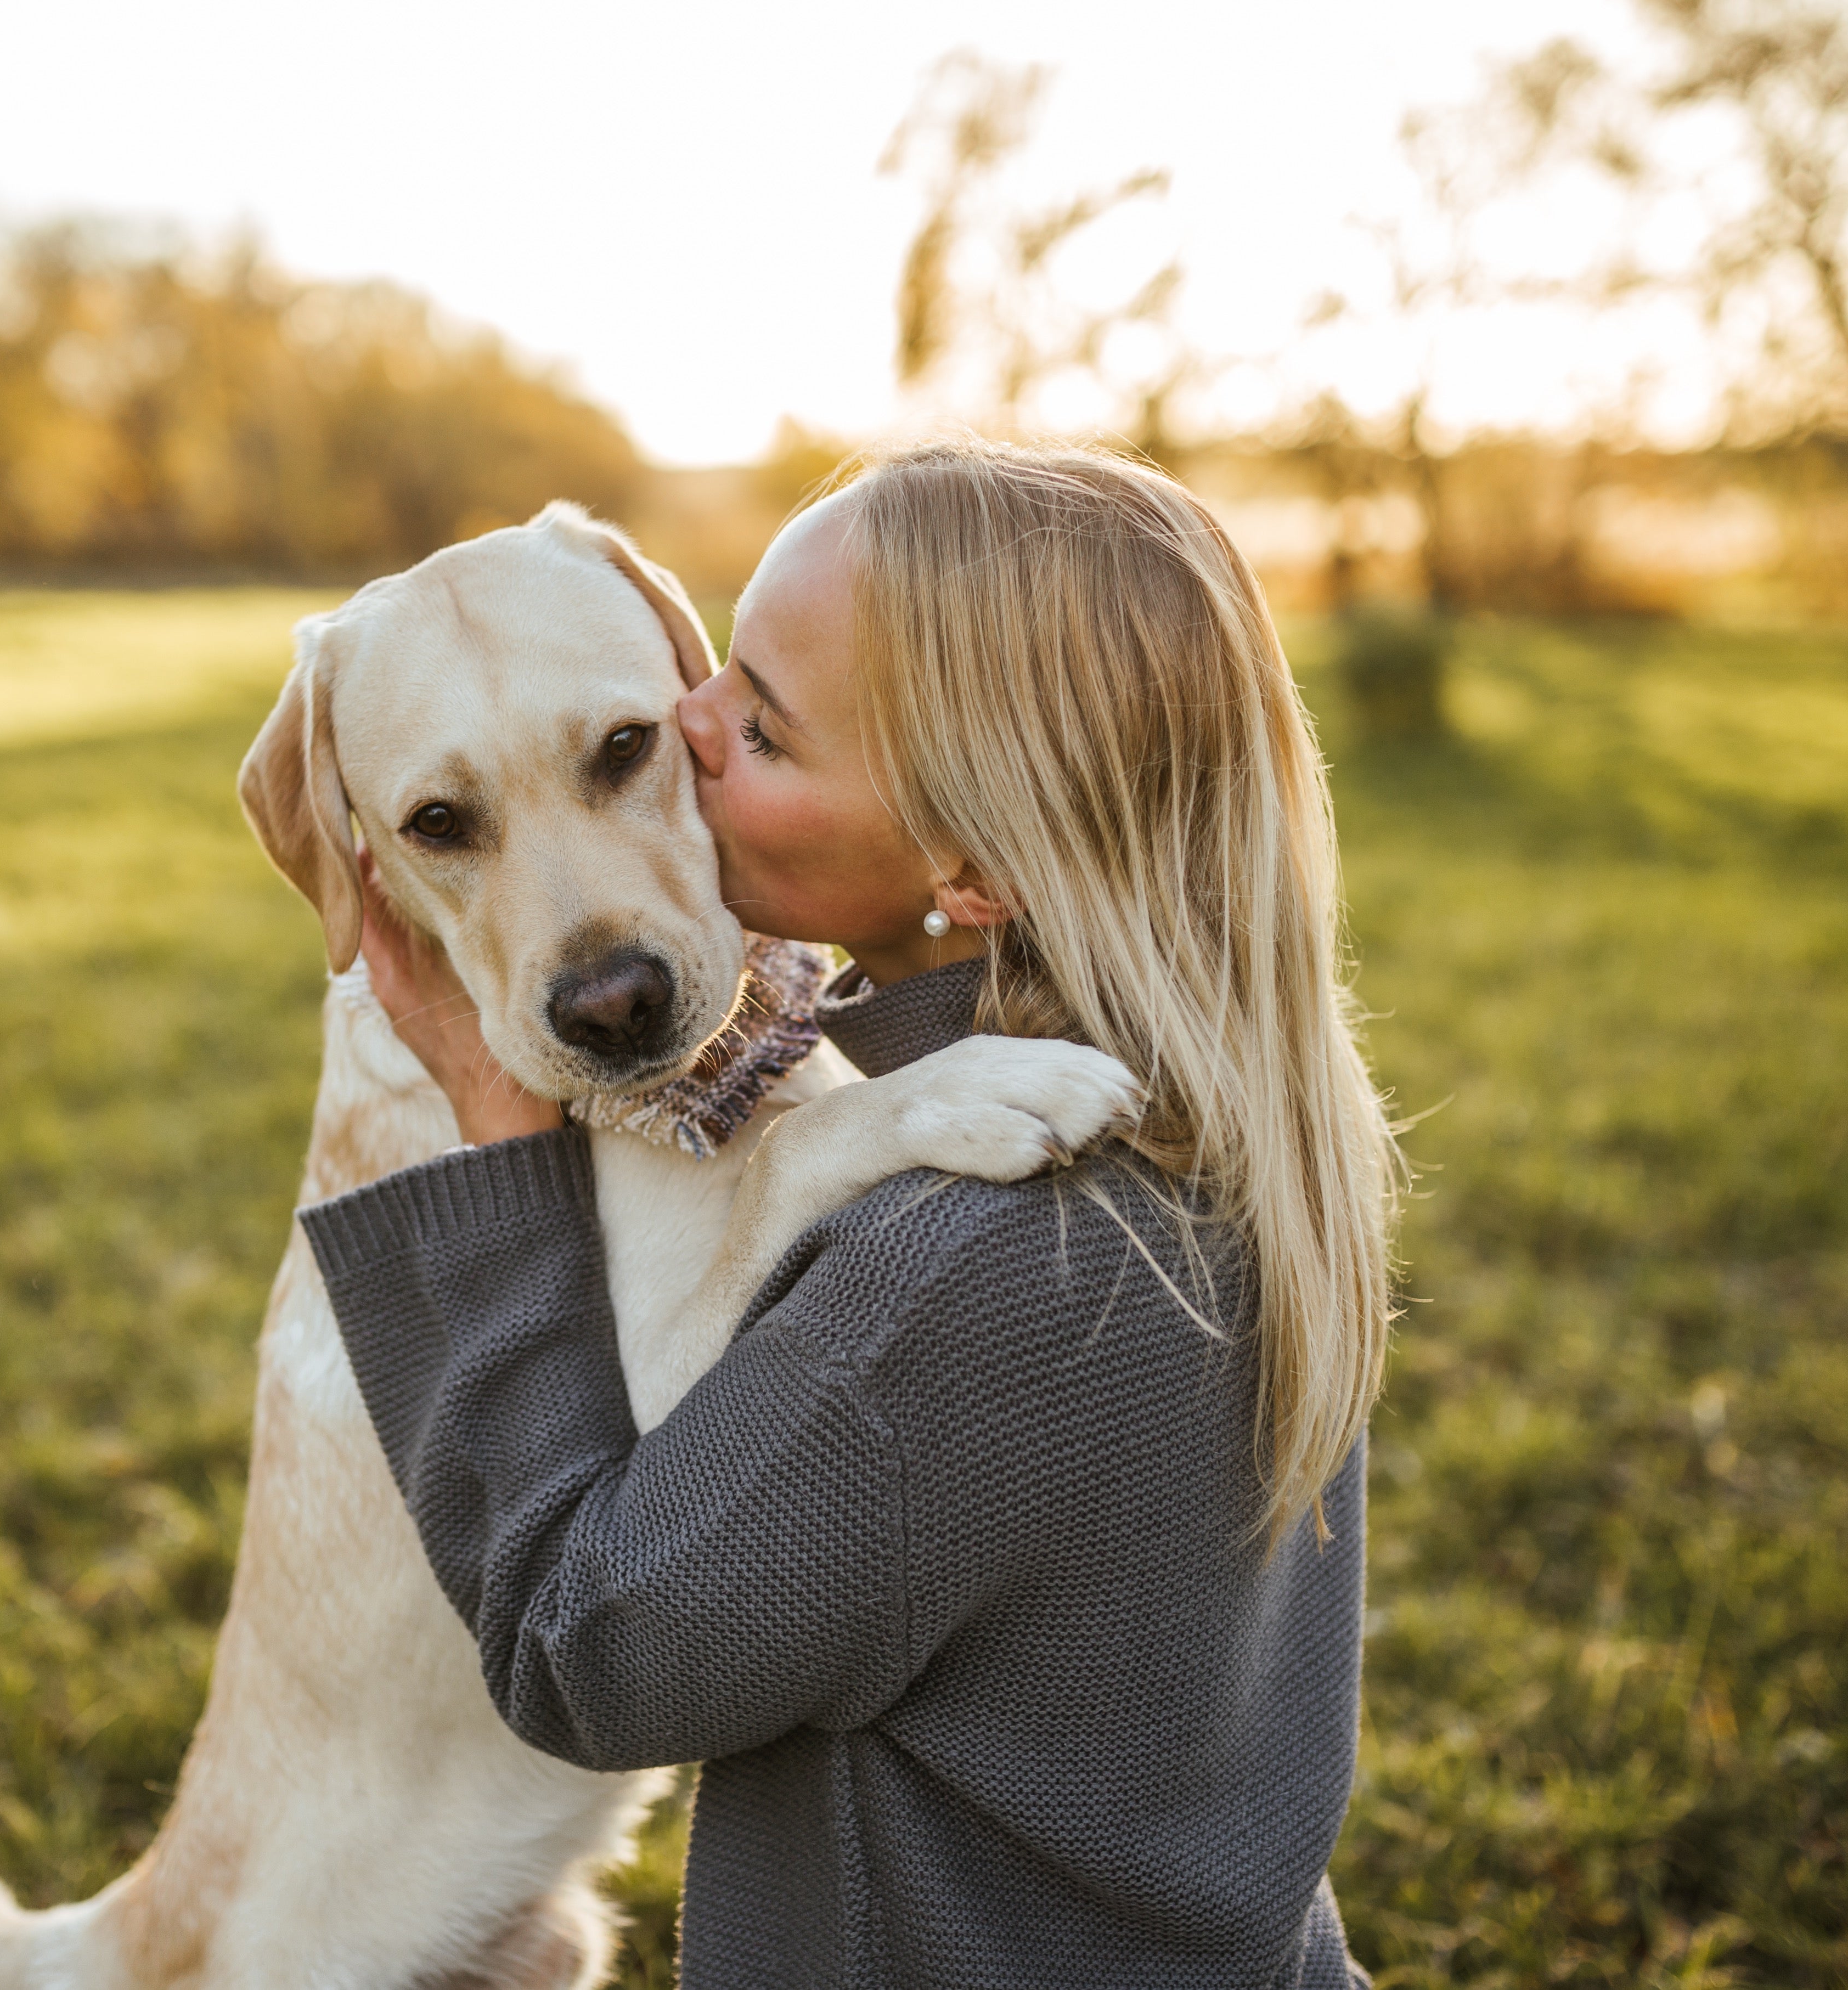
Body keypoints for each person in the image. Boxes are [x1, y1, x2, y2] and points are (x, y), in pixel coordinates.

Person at [298, 437, 1402, 1988]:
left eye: (756, 722)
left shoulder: (955, 1277)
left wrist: (493, 1146)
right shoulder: (1212, 1119)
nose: (688, 723)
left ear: (970, 861)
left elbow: (584, 1647)